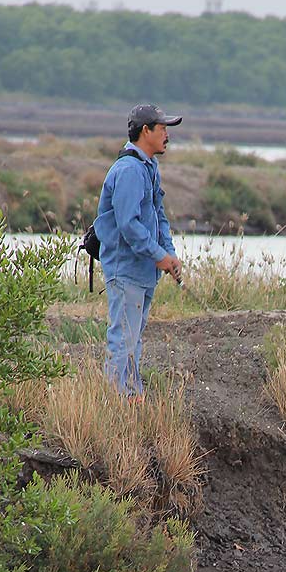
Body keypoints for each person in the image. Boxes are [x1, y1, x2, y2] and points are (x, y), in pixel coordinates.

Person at [94, 104, 183, 397]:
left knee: (134, 339)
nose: (167, 135)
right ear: (146, 131)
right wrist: (159, 255)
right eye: (163, 129)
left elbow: (159, 215)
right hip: (126, 269)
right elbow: (129, 225)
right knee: (123, 338)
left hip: (144, 271)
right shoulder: (129, 170)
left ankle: (132, 396)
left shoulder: (149, 167)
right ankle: (116, 403)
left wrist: (168, 252)